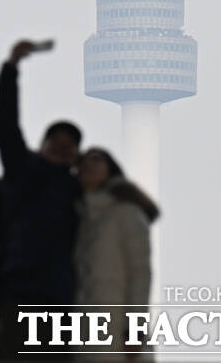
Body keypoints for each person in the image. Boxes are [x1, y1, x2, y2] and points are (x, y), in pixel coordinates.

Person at [0, 39, 82, 361]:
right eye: (55, 139)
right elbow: (6, 124)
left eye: (69, 143)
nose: (61, 145)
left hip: (65, 304)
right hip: (21, 292)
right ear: (42, 146)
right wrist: (11, 68)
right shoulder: (23, 169)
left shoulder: (80, 192)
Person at [74, 148, 159, 361]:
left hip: (121, 341)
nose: (87, 165)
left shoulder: (126, 212)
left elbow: (140, 273)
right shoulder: (80, 223)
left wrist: (135, 329)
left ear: (110, 169)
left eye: (96, 159)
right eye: (82, 163)